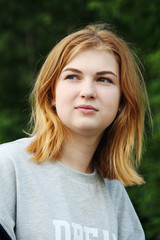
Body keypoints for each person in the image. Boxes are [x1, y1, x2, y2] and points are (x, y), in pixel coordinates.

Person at [0, 24, 148, 240]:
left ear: (121, 102)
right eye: (72, 76)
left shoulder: (115, 196)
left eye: (104, 79)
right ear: (51, 93)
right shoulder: (8, 165)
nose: (87, 92)